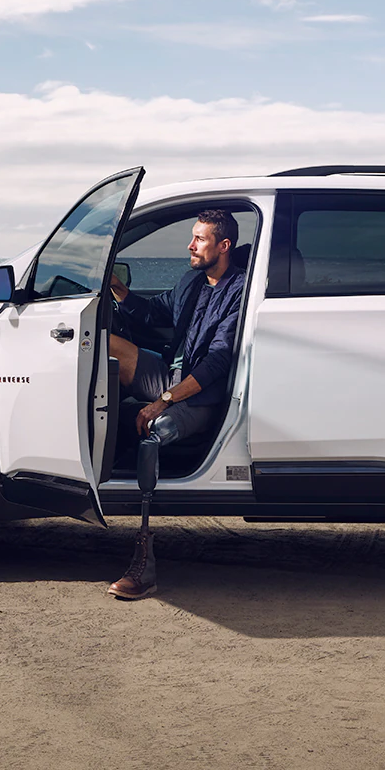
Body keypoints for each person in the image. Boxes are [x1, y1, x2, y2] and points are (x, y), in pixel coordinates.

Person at [103, 208, 245, 600]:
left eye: (199, 239)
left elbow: (217, 364)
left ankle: (143, 564)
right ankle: (97, 451)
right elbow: (153, 313)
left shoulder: (239, 293)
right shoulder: (191, 282)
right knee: (106, 348)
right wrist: (114, 285)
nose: (190, 245)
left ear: (224, 245)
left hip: (200, 395)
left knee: (152, 431)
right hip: (170, 374)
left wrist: (162, 402)